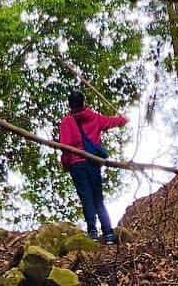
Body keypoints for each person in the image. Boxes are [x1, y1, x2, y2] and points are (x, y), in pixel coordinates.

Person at [58, 88, 127, 243]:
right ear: (83, 103)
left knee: (86, 198)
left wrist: (65, 164)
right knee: (98, 199)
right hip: (92, 162)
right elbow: (111, 121)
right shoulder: (93, 117)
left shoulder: (66, 122)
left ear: (70, 105)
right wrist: (122, 120)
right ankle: (108, 233)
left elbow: (65, 146)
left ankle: (93, 233)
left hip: (77, 164)